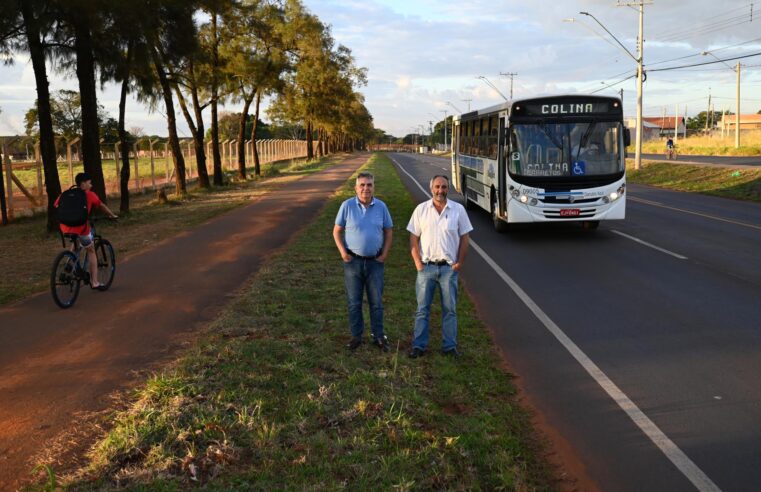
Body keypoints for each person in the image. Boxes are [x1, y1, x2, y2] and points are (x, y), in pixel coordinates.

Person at [406, 175, 473, 358]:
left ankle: (449, 347)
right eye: (437, 186)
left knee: (450, 310)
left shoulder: (458, 210)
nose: (440, 190)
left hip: (448, 270)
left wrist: (459, 263)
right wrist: (418, 263)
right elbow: (413, 238)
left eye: (443, 187)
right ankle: (418, 346)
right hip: (426, 268)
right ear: (431, 188)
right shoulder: (421, 210)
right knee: (422, 309)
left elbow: (465, 238)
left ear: (448, 188)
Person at [333, 172, 393, 351]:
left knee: (376, 302)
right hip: (353, 262)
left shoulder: (381, 207)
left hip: (375, 262)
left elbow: (389, 231)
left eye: (369, 185)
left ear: (374, 187)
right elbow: (336, 231)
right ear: (356, 188)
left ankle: (378, 336)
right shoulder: (347, 206)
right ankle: (356, 336)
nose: (366, 188)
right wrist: (343, 252)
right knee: (354, 302)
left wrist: (384, 254)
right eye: (362, 185)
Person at [55, 172, 118, 289]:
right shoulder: (89, 195)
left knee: (76, 242)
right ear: (83, 184)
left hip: (64, 227)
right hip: (81, 227)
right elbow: (101, 206)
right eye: (89, 183)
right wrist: (112, 215)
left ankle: (69, 263)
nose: (91, 185)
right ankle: (94, 282)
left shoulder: (66, 193)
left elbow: (56, 205)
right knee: (91, 250)